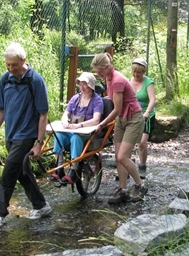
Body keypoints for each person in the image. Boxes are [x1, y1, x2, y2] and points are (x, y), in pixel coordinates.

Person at [0, 42, 52, 228]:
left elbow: (43, 115)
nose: (10, 68)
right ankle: (41, 206)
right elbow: (0, 111)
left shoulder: (35, 80)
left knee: (8, 174)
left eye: (14, 65)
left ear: (24, 61)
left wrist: (39, 143)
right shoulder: (5, 79)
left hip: (27, 136)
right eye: (7, 64)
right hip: (11, 135)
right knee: (23, 173)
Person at [92, 52, 148, 204]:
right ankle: (123, 190)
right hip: (122, 120)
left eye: (100, 71)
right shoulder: (108, 78)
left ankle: (140, 185)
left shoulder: (116, 80)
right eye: (96, 72)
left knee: (123, 156)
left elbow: (116, 109)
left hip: (133, 119)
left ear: (107, 67)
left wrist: (102, 124)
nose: (98, 74)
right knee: (118, 156)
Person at [49, 72, 104, 185]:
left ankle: (74, 170)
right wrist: (64, 121)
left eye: (85, 84)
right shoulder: (75, 98)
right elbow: (66, 114)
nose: (82, 87)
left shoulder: (97, 100)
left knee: (75, 138)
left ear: (91, 85)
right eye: (80, 84)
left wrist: (80, 125)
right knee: (59, 135)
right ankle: (59, 167)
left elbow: (96, 120)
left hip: (88, 133)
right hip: (73, 129)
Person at [130, 57, 156, 179]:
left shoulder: (148, 82)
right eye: (134, 72)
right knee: (128, 141)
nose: (136, 74)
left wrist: (147, 112)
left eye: (139, 72)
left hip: (146, 115)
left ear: (143, 72)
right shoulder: (129, 82)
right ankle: (127, 166)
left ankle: (142, 165)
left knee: (141, 143)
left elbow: (152, 100)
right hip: (133, 114)